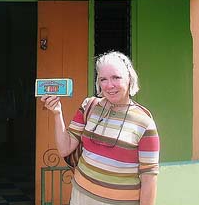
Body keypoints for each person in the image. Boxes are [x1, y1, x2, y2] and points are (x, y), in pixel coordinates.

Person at [41, 51, 159, 205]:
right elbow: (65, 148)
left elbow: (149, 178)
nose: (109, 85)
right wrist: (57, 113)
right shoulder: (89, 106)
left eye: (116, 77)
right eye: (103, 79)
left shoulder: (144, 123)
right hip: (80, 196)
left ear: (129, 78)